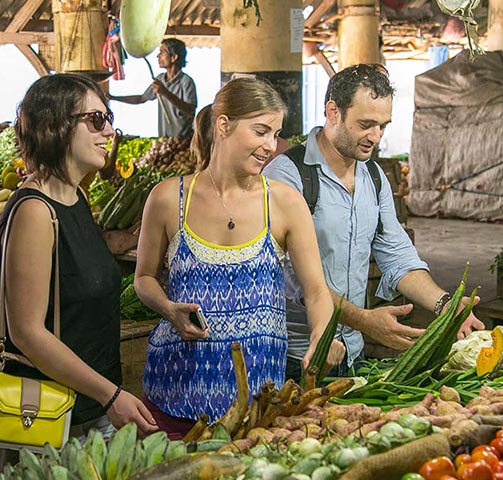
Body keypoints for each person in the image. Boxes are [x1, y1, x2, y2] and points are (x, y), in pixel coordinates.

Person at [134, 77, 344, 439]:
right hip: (175, 396)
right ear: (223, 124)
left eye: (275, 134)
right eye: (261, 131)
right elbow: (144, 279)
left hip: (258, 407)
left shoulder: (284, 202)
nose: (270, 146)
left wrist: (320, 336)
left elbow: (316, 292)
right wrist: (169, 309)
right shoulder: (169, 198)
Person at [263, 63, 485, 380]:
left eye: (383, 126)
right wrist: (365, 320)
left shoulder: (374, 178)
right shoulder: (288, 175)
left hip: (350, 353)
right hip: (293, 357)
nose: (375, 137)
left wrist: (446, 307)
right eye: (366, 124)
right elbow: (289, 278)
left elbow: (397, 255)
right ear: (333, 112)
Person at [1, 74, 158, 441]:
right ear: (56, 126)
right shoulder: (35, 211)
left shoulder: (76, 199)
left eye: (110, 120)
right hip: (53, 417)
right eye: (97, 120)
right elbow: (26, 332)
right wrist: (110, 394)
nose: (109, 133)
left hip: (93, 410)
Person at [109, 38, 197, 138]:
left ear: (174, 57)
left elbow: (190, 111)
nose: (158, 56)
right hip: (164, 139)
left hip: (183, 140)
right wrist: (113, 97)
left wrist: (165, 93)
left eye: (162, 52)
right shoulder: (160, 79)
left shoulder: (186, 82)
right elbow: (141, 98)